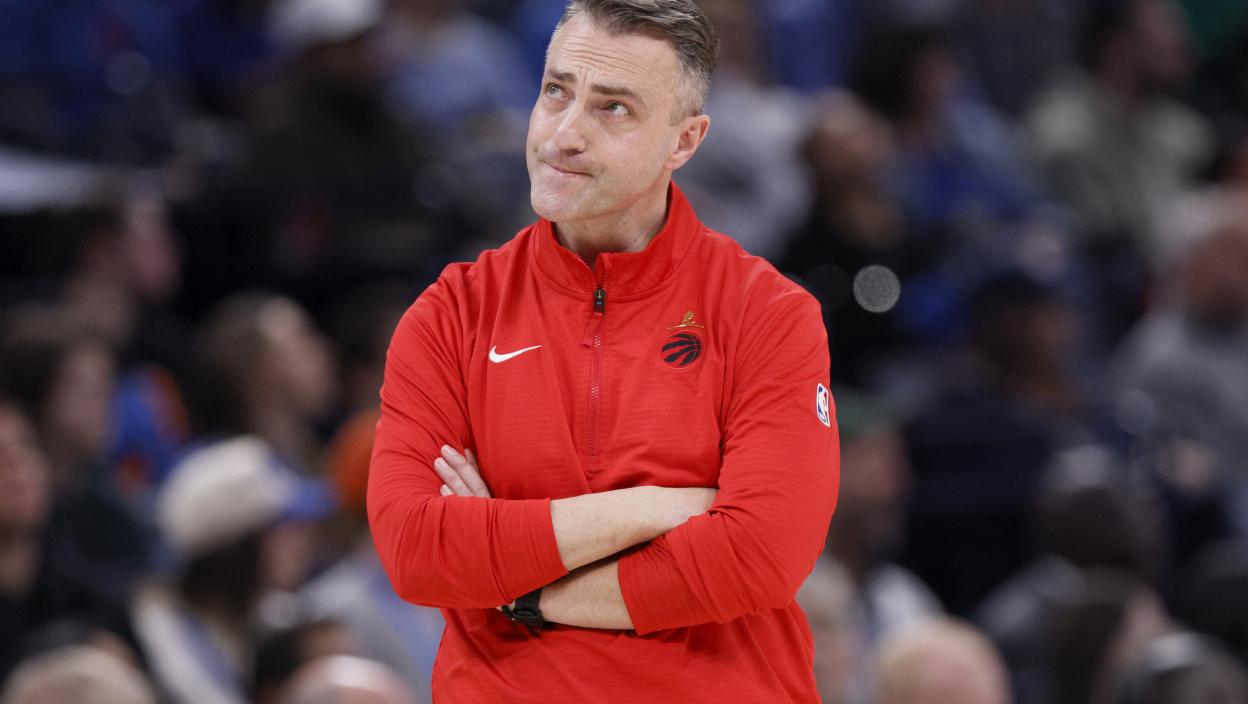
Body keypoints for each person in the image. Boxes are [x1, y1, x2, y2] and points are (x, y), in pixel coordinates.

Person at [366, 1, 840, 701]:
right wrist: (651, 508)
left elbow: (757, 557)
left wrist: (520, 592)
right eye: (556, 92)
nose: (564, 134)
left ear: (684, 141)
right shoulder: (451, 315)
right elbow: (416, 550)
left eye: (612, 108)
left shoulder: (768, 314)